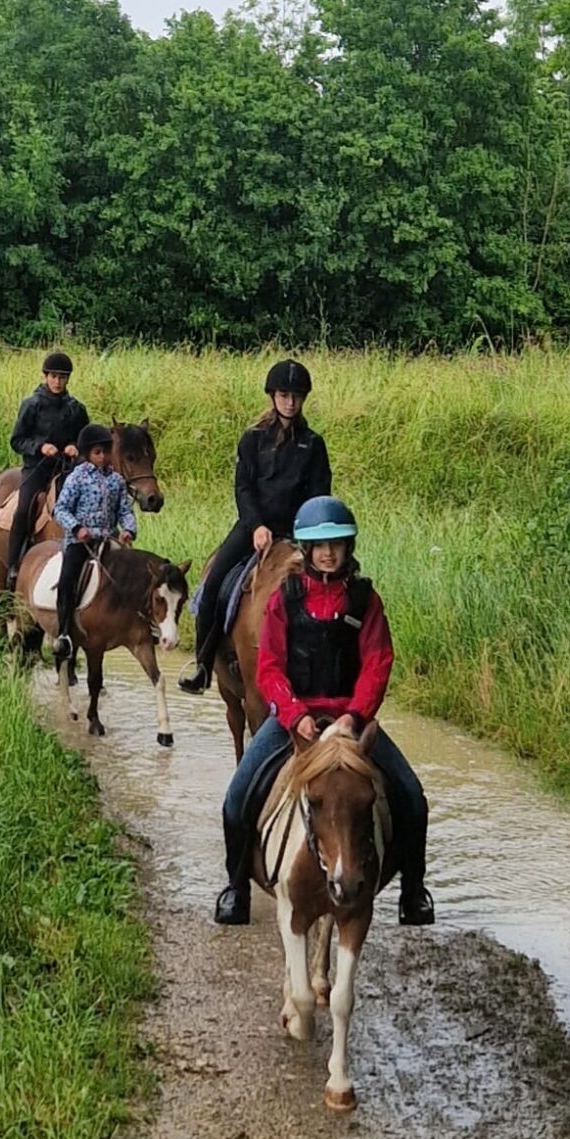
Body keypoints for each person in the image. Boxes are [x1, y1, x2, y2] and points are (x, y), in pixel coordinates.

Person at [215, 495, 435, 928]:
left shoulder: (365, 601)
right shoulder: (284, 600)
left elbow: (378, 662)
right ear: (307, 550)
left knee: (412, 796)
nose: (328, 552)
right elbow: (270, 666)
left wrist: (355, 716)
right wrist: (294, 715)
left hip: (350, 721)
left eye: (336, 544)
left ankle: (413, 892)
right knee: (236, 798)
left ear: (347, 547)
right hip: (295, 723)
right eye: (319, 545)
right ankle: (236, 887)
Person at [178, 359, 331, 694]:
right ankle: (202, 665)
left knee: (335, 584)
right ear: (273, 396)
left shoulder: (313, 444)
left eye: (296, 395)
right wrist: (257, 526)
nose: (290, 401)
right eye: (284, 394)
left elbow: (320, 492)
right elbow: (243, 488)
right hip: (255, 528)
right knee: (213, 585)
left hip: (298, 534)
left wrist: (307, 535)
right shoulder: (253, 439)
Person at [50, 423, 138, 659]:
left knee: (134, 574)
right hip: (81, 542)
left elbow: (125, 511)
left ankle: (139, 622)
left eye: (106, 452)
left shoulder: (117, 481)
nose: (103, 457)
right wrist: (77, 529)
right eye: (98, 452)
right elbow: (61, 509)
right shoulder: (76, 478)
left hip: (108, 539)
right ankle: (64, 632)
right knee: (68, 579)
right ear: (87, 454)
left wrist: (128, 529)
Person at [5, 350, 91, 591]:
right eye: (53, 376)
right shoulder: (31, 405)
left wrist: (77, 447)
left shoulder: (77, 409)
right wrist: (40, 447)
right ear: (45, 376)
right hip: (37, 468)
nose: (57, 382)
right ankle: (13, 564)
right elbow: (17, 440)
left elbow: (87, 441)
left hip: (68, 470)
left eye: (62, 377)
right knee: (23, 510)